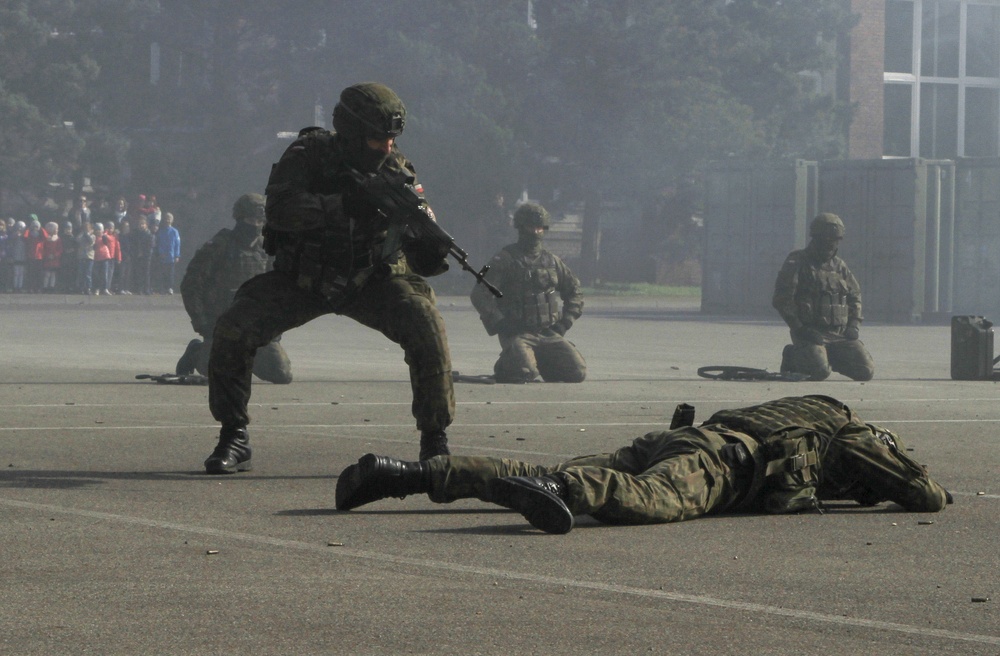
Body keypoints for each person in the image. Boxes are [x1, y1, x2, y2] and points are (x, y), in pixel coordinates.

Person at [201, 81, 455, 475]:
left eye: (391, 138)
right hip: (304, 278)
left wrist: (429, 245)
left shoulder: (397, 170)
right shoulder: (308, 155)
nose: (386, 147)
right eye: (376, 138)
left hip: (372, 279)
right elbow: (280, 211)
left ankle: (435, 440)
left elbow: (423, 247)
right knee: (235, 327)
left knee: (426, 323)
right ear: (351, 132)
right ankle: (234, 435)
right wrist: (342, 206)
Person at [336, 395, 951, 534]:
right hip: (720, 459)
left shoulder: (793, 407)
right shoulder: (845, 426)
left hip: (683, 437)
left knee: (556, 465)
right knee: (654, 501)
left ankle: (409, 475)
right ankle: (561, 490)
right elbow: (922, 494)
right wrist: (899, 472)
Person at [176, 193, 293, 384]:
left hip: (257, 325)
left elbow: (280, 289)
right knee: (219, 373)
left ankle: (244, 358)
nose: (255, 225)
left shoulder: (268, 249)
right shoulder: (220, 246)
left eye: (259, 221)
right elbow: (191, 285)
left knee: (281, 374)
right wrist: (202, 322)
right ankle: (196, 352)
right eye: (250, 220)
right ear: (239, 219)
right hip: (222, 324)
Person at [470, 202, 586, 383]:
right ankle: (508, 364)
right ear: (521, 228)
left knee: (576, 372)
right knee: (524, 372)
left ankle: (538, 360)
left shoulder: (552, 261)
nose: (535, 232)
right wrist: (500, 323)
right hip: (517, 333)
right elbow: (479, 294)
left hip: (548, 333)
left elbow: (575, 292)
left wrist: (564, 323)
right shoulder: (504, 259)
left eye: (539, 227)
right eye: (531, 227)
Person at [772, 213, 874, 382]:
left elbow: (854, 295)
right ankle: (793, 356)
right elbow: (782, 299)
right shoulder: (797, 261)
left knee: (865, 371)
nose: (831, 243)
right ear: (816, 237)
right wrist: (800, 328)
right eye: (827, 238)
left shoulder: (840, 266)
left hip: (839, 335)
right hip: (809, 332)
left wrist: (854, 324)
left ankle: (825, 356)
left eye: (835, 239)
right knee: (818, 373)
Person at [154, 212, 181, 294]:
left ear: (172, 220)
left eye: (169, 219)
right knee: (163, 273)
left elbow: (177, 244)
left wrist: (177, 255)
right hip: (163, 257)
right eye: (166, 219)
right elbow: (159, 243)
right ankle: (163, 287)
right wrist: (161, 253)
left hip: (172, 257)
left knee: (171, 273)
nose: (167, 220)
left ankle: (170, 287)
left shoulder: (175, 231)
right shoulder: (161, 231)